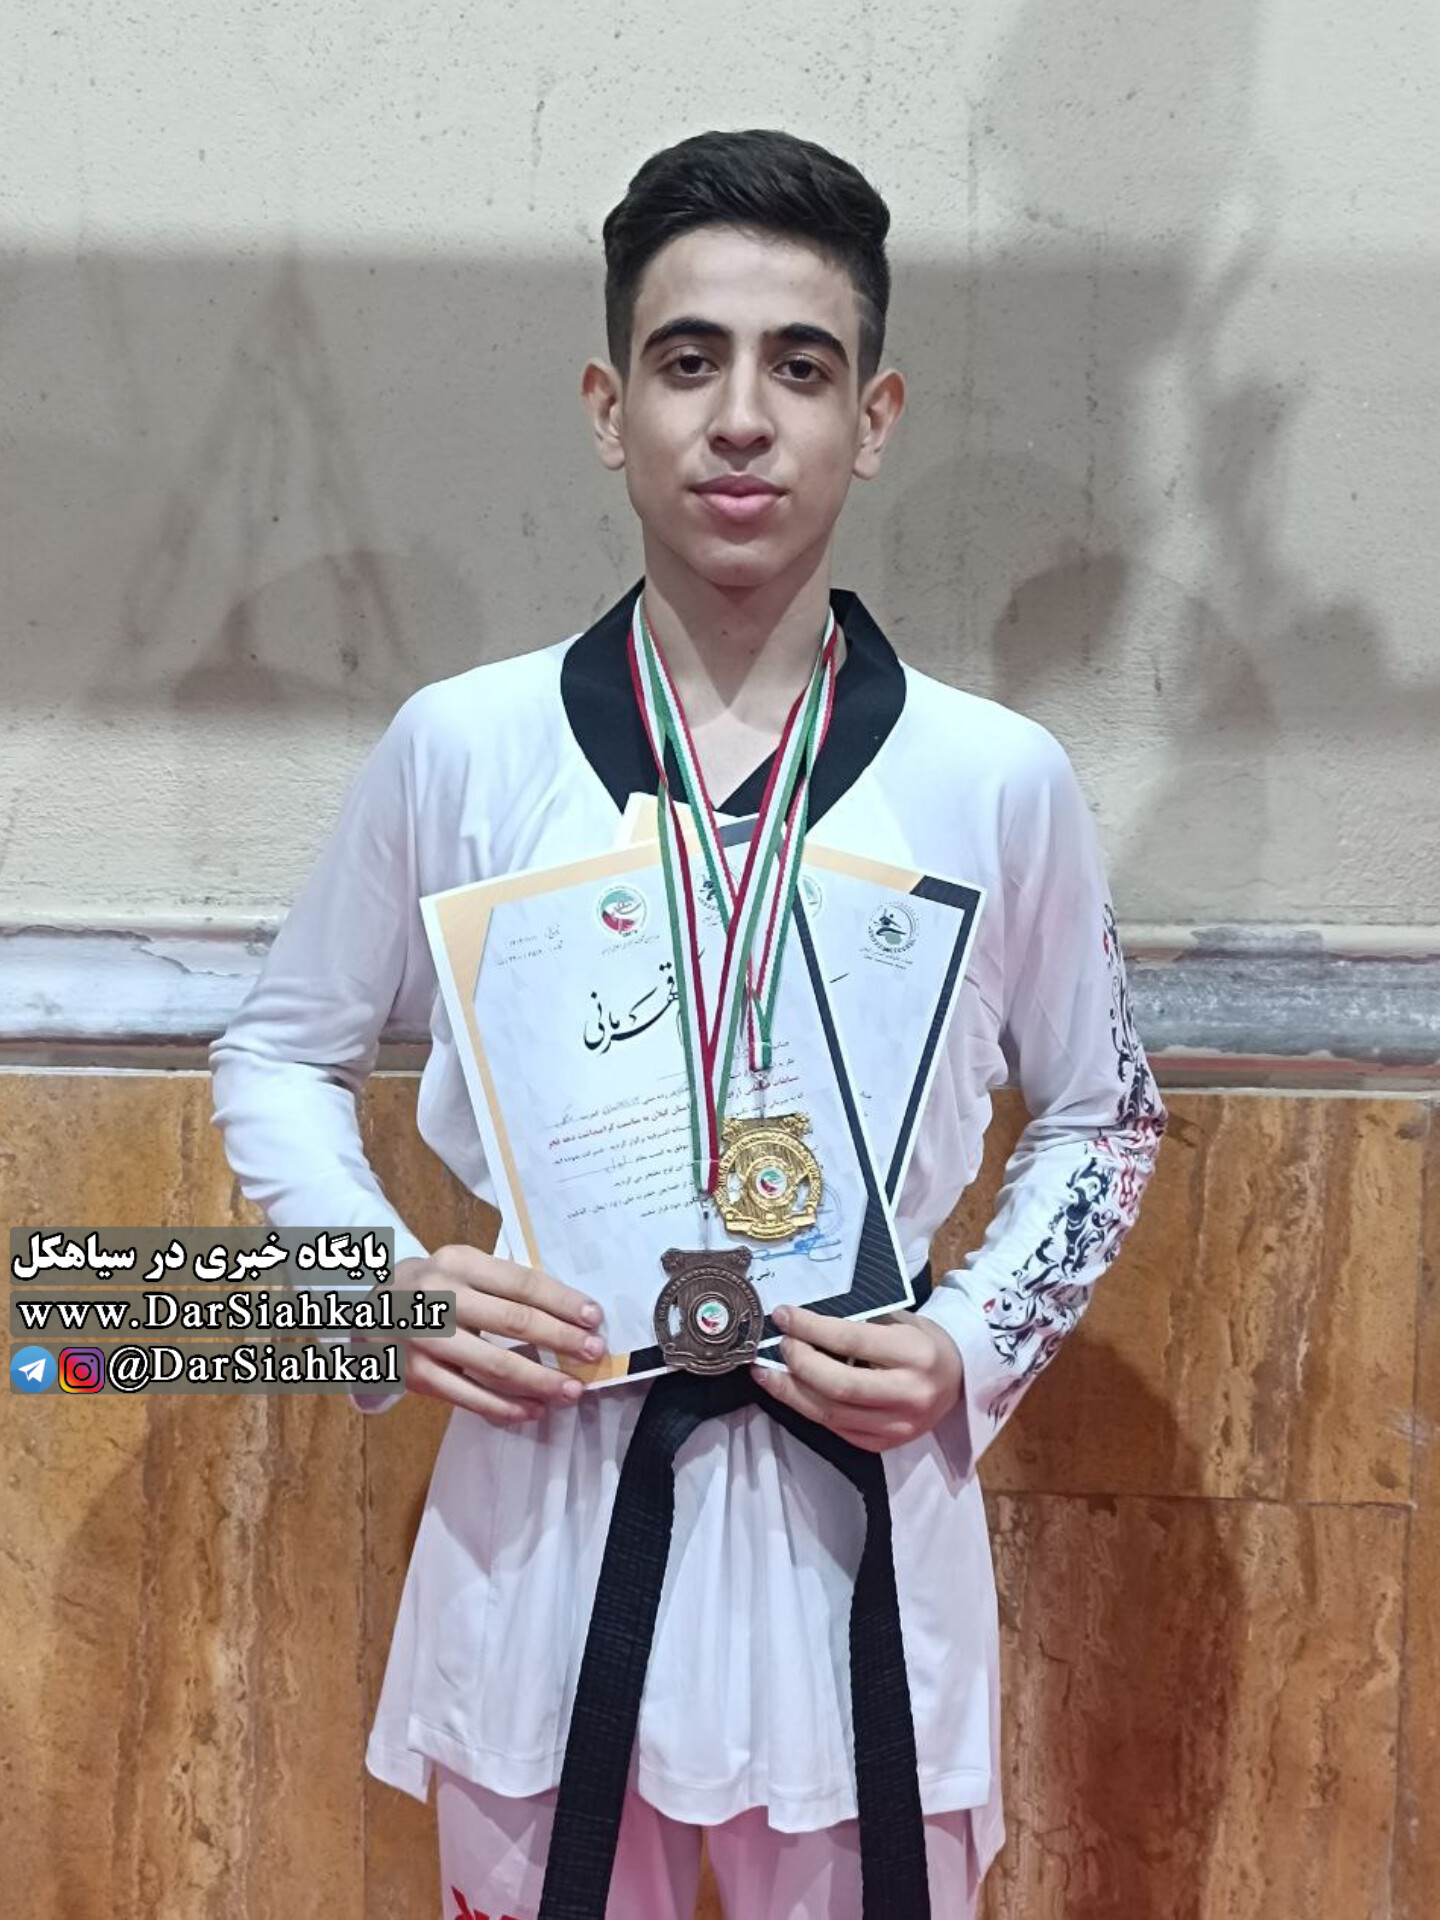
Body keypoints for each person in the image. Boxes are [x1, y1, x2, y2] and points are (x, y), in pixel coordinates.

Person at [210, 127, 1167, 1920]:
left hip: (855, 1518)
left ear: (873, 417)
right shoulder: (465, 747)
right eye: (687, 361)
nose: (741, 418)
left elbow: (1105, 1117)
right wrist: (373, 1283)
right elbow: (276, 1051)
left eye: (799, 367)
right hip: (550, 1510)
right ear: (609, 407)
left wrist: (968, 1346)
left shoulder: (994, 779)